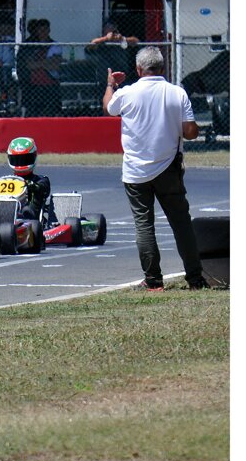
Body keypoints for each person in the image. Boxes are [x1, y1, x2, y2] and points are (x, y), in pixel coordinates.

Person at [104, 46, 206, 291]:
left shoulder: (127, 93)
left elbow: (108, 108)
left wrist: (110, 85)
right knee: (181, 223)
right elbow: (191, 132)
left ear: (139, 69)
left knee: (144, 225)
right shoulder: (177, 93)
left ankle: (153, 280)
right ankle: (195, 278)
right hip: (169, 167)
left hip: (135, 172)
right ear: (163, 68)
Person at [5, 136, 56, 224]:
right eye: (17, 159)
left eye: (25, 159)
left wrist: (32, 186)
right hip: (7, 218)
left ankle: (26, 215)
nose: (20, 162)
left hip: (32, 221)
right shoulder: (6, 181)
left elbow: (43, 188)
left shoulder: (41, 180)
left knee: (30, 205)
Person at [18, 18, 63, 116]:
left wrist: (38, 63)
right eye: (40, 30)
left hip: (51, 85)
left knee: (51, 113)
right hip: (34, 86)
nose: (43, 32)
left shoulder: (55, 45)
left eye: (45, 29)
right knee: (33, 114)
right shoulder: (30, 46)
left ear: (49, 30)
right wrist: (46, 63)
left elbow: (54, 65)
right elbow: (29, 65)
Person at [86, 21, 138, 89]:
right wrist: (106, 38)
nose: (112, 30)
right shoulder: (101, 40)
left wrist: (122, 38)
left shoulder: (120, 40)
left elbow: (136, 41)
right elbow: (90, 45)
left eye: (113, 27)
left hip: (121, 77)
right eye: (109, 27)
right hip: (104, 77)